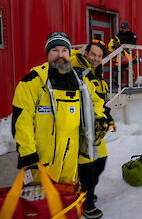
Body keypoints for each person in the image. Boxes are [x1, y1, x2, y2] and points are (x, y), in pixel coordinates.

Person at [11, 32, 107, 187]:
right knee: (42, 202)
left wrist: (100, 117)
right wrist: (27, 152)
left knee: (66, 195)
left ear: (69, 53)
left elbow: (95, 100)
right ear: (47, 53)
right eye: (55, 50)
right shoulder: (33, 82)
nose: (60, 55)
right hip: (44, 159)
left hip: (71, 157)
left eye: (64, 50)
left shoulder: (80, 81)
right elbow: (22, 120)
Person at [70, 39, 116, 219]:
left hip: (95, 126)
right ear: (86, 53)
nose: (95, 58)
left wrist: (108, 119)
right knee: (87, 167)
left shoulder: (96, 74)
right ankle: (87, 203)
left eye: (99, 56)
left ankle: (87, 191)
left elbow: (100, 102)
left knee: (100, 162)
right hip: (80, 128)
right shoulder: (77, 70)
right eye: (93, 54)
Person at [108, 20, 137, 86]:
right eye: (122, 28)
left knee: (128, 70)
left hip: (128, 55)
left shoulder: (131, 35)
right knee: (119, 70)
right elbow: (116, 40)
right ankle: (118, 83)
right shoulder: (119, 34)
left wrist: (124, 45)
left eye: (125, 28)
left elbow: (133, 44)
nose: (123, 30)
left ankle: (129, 84)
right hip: (120, 55)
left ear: (128, 28)